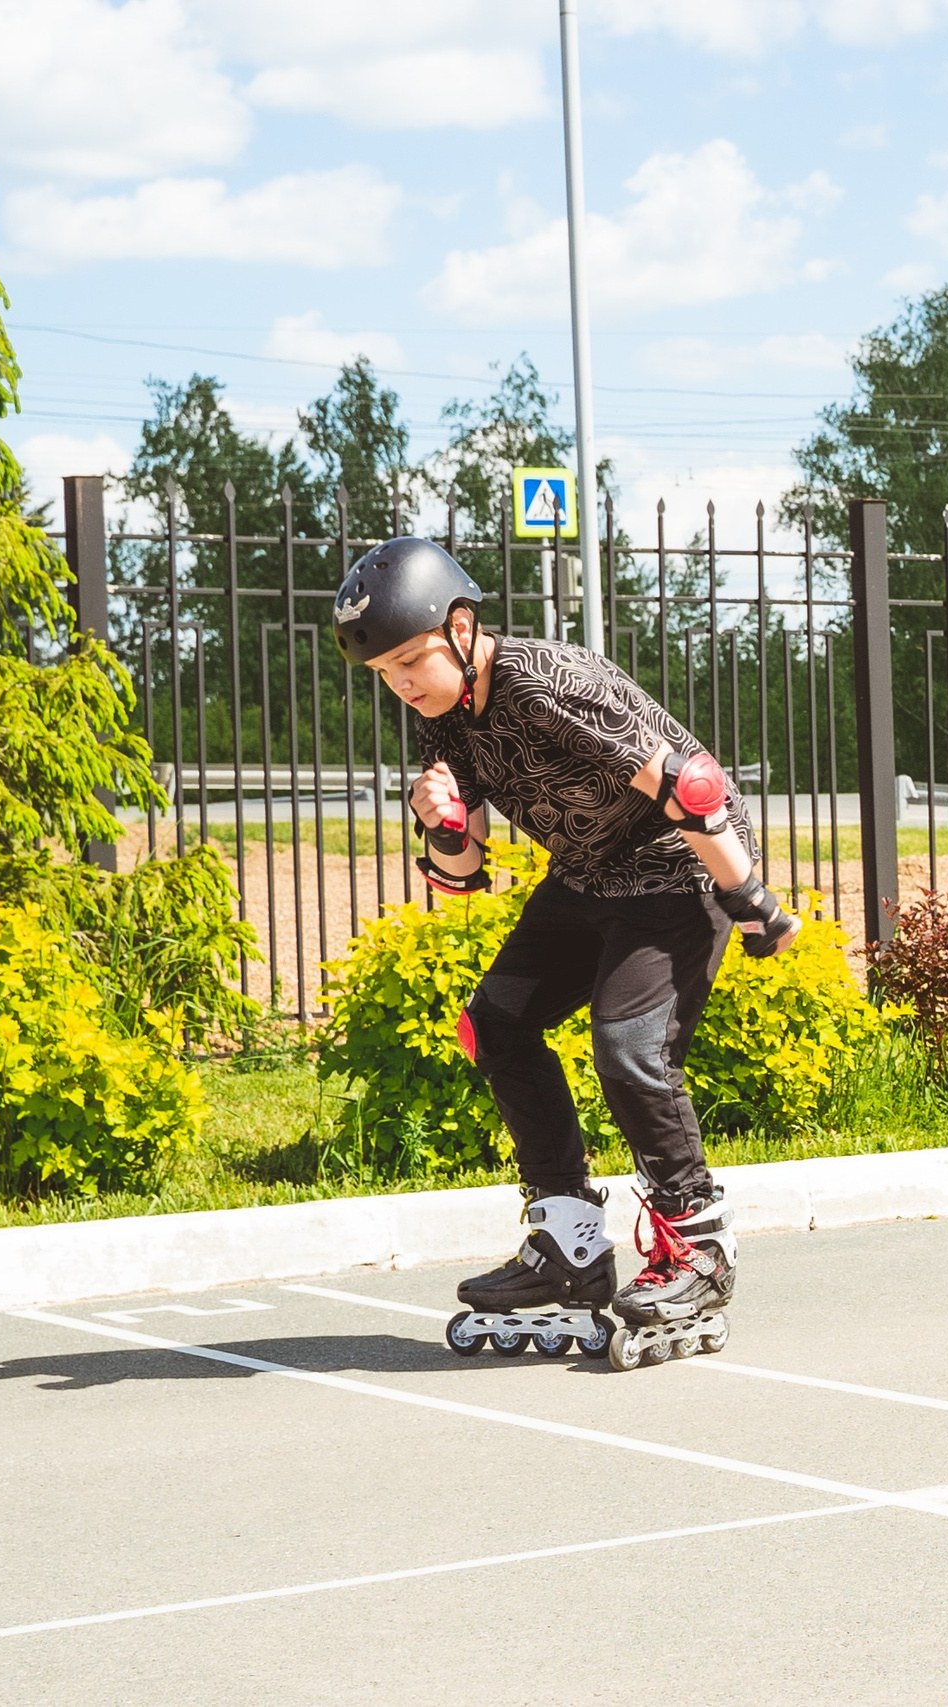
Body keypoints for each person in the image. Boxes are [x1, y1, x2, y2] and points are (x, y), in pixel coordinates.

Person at [331, 537, 797, 1363]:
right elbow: (463, 876)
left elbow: (690, 784)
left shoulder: (545, 681)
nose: (402, 683)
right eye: (385, 672)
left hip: (678, 867)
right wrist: (442, 824)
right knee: (496, 1024)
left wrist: (748, 896)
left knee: (630, 1047)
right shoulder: (445, 720)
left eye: (409, 660)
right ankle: (568, 1241)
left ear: (461, 629)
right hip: (589, 875)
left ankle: (699, 1246)